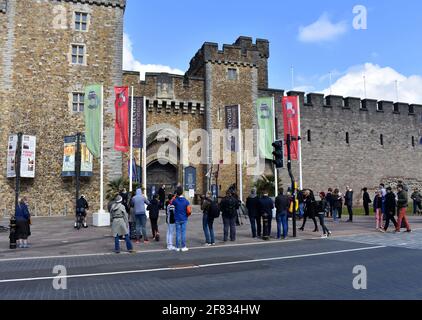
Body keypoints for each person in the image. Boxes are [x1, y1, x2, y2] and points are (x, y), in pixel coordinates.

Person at [173, 187, 191, 252]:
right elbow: (189, 211)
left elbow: (170, 202)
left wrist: (175, 196)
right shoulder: (186, 201)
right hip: (184, 218)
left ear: (177, 193)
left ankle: (177, 247)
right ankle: (183, 246)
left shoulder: (175, 200)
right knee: (183, 233)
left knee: (177, 233)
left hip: (177, 218)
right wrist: (187, 216)